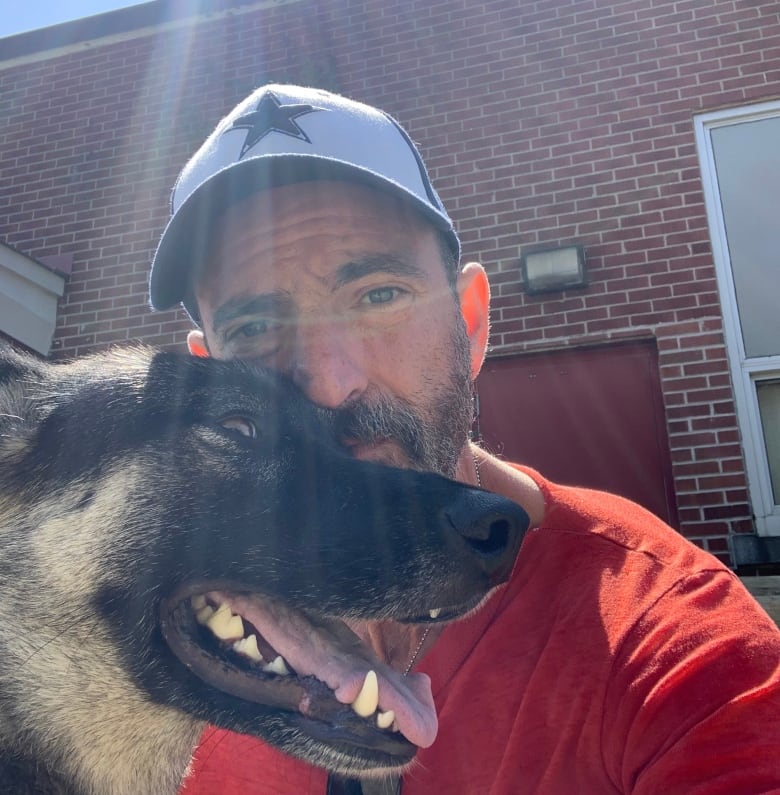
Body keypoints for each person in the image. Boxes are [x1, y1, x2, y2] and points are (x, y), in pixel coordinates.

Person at [149, 84, 780, 794]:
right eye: (256, 328)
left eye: (378, 295)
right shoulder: (169, 643)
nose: (329, 382)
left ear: (471, 323)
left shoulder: (669, 649)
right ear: (209, 384)